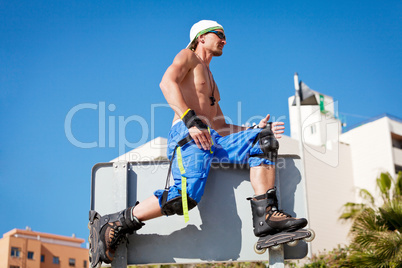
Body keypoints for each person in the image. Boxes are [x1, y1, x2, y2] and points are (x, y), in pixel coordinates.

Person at [88, 20, 307, 267]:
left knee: (263, 140)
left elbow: (221, 126)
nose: (225, 40)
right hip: (187, 133)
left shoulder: (211, 78)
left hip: (211, 137)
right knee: (186, 196)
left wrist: (253, 129)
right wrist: (190, 119)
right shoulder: (188, 56)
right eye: (220, 35)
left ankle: (266, 216)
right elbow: (166, 83)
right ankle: (115, 222)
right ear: (201, 37)